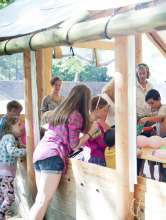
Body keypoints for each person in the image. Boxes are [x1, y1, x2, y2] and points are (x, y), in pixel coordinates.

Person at [29, 85, 98, 220]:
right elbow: (74, 145)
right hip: (53, 155)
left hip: (41, 152)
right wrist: (90, 132)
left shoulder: (58, 110)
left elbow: (66, 131)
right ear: (85, 100)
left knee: (39, 200)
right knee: (42, 202)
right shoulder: (76, 115)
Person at [0, 116, 26, 220]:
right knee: (10, 197)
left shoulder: (4, 137)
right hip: (6, 173)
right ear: (11, 126)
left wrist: (17, 145)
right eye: (19, 125)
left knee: (2, 197)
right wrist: (25, 152)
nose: (21, 127)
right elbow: (12, 151)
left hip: (2, 173)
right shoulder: (10, 137)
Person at [138, 89, 166, 180]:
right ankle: (159, 179)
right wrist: (155, 125)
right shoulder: (158, 110)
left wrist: (147, 119)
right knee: (160, 165)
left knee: (162, 165)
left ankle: (162, 180)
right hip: (160, 141)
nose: (151, 106)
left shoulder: (163, 108)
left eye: (152, 103)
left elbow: (161, 118)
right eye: (149, 104)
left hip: (164, 140)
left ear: (159, 99)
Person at [82, 96, 109, 166]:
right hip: (97, 159)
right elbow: (102, 144)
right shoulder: (96, 125)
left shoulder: (86, 122)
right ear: (97, 109)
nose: (106, 113)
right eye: (104, 110)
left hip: (86, 157)